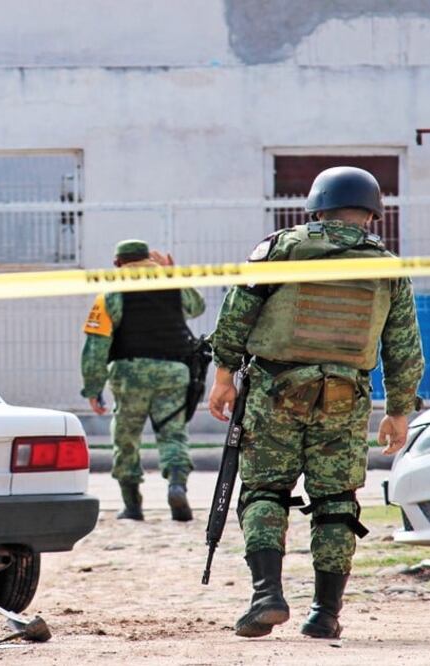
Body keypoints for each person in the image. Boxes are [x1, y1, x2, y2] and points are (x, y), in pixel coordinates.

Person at [207, 166, 423, 639]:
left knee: (264, 492)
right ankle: (324, 614)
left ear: (316, 206)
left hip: (274, 391)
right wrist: (399, 411)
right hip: (346, 398)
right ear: (372, 214)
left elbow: (237, 313)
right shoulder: (387, 264)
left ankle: (267, 595)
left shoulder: (281, 247)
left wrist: (223, 375)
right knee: (336, 503)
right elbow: (404, 347)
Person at [80, 240, 206, 522]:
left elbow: (96, 346)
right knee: (173, 434)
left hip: (130, 375)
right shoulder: (170, 282)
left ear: (117, 264)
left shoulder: (112, 293)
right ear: (150, 258)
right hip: (174, 372)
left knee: (126, 438)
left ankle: (132, 505)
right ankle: (176, 484)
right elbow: (197, 306)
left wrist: (93, 387)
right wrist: (174, 274)